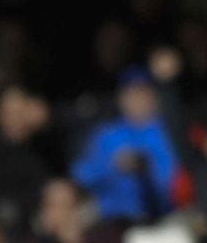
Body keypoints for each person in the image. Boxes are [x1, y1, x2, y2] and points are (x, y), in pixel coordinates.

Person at [72, 69, 177, 224]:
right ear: (121, 99)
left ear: (154, 98)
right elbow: (81, 175)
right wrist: (112, 165)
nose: (137, 101)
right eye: (131, 95)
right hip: (113, 219)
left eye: (143, 94)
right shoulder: (106, 134)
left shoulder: (169, 132)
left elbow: (175, 180)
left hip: (163, 216)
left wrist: (146, 168)